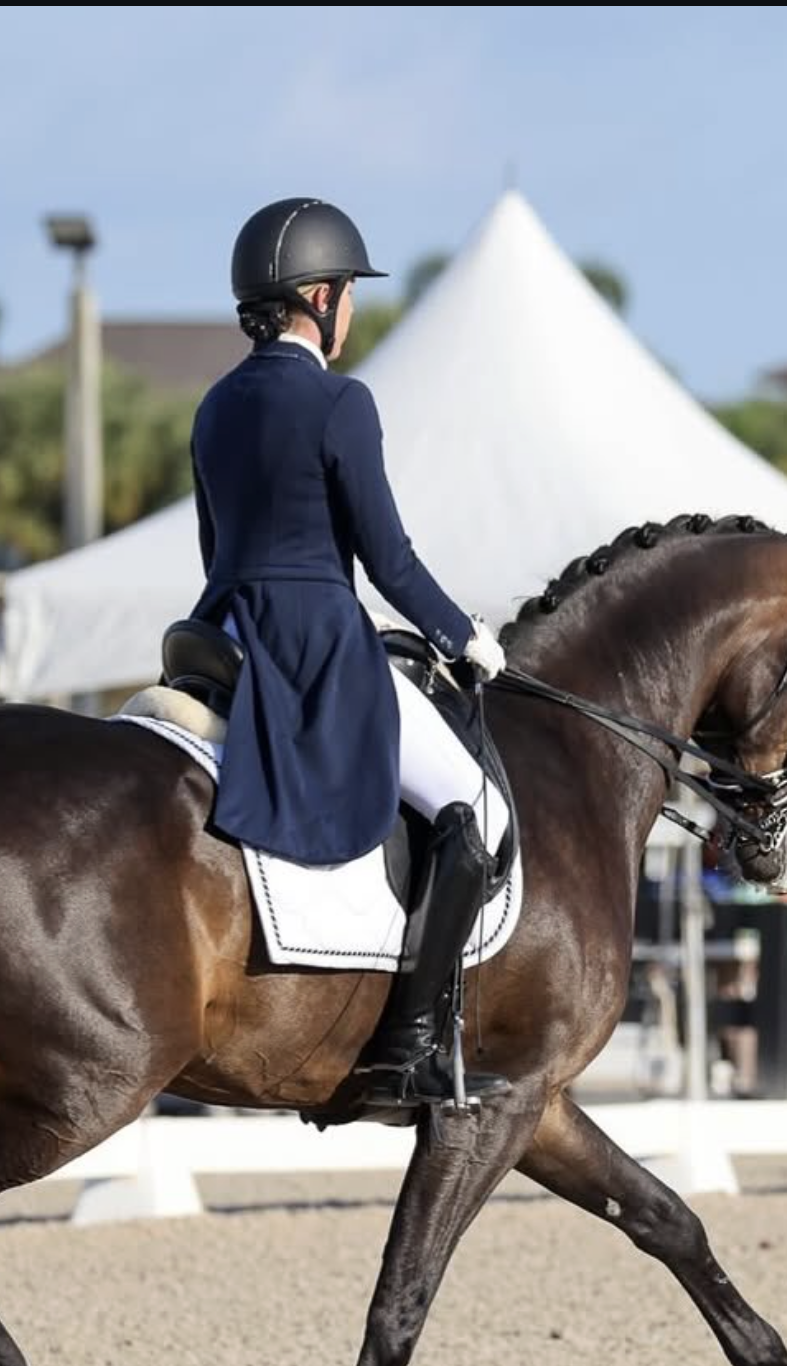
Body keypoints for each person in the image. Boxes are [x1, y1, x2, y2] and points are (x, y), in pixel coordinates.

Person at [186, 196, 511, 1110]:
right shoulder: (340, 402)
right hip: (320, 645)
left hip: (226, 634)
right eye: (351, 296)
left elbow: (217, 551)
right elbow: (388, 558)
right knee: (473, 808)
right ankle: (408, 1044)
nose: (354, 313)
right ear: (322, 296)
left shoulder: (215, 406)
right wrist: (465, 640)